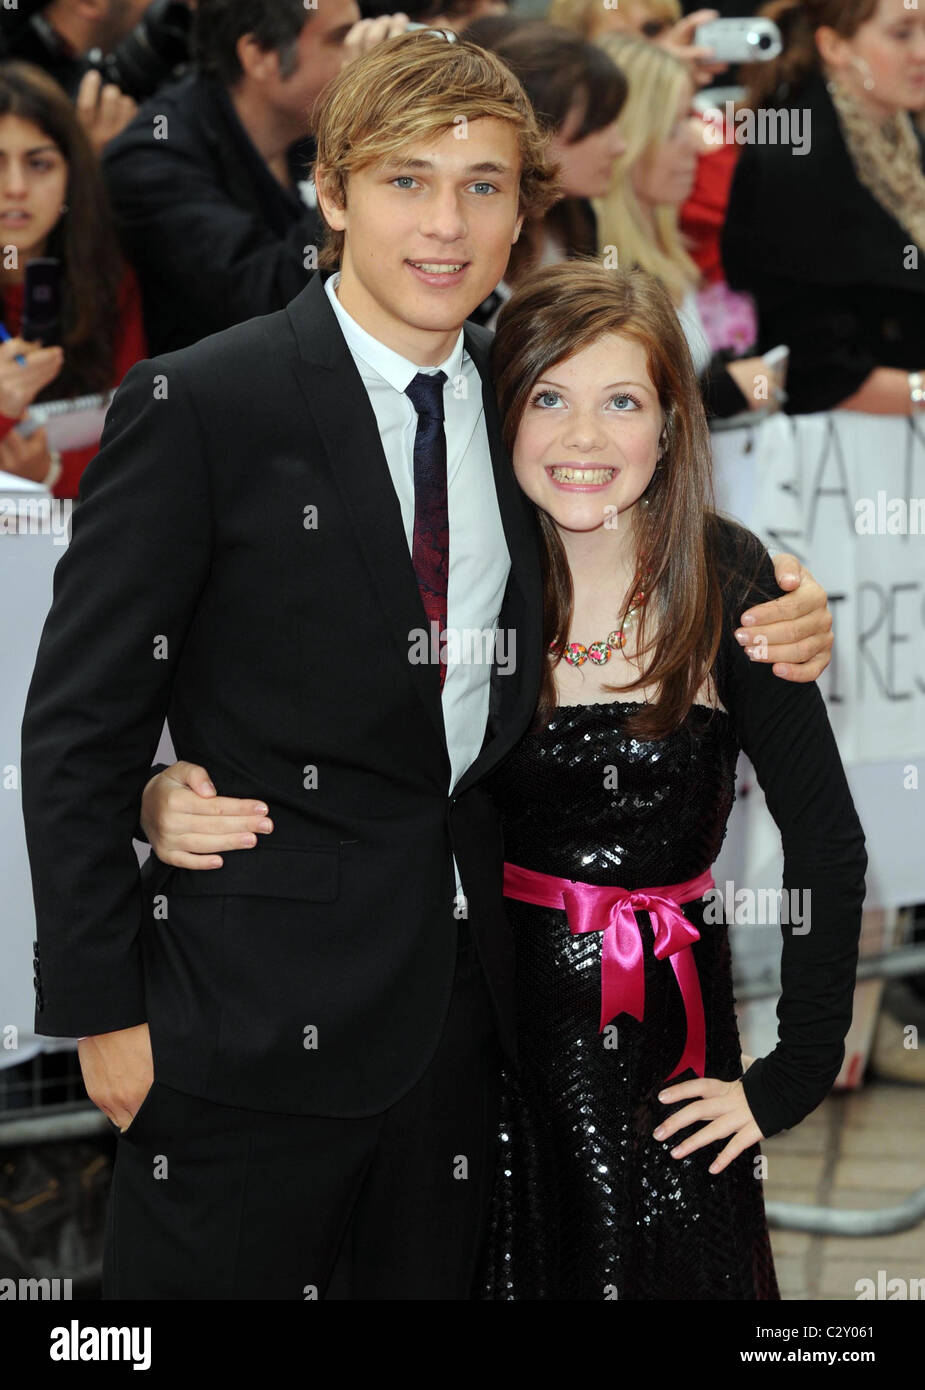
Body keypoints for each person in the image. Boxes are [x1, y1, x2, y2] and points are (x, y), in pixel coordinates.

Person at [22, 30, 833, 1302]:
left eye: (483, 186)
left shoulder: (524, 392)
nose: (445, 223)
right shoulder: (203, 404)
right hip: (238, 1034)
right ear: (331, 193)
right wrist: (104, 1015)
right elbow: (78, 729)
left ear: (525, 207)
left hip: (469, 1047)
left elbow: (644, 506)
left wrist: (784, 598)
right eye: (405, 181)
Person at [100, 0, 411, 354]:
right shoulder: (150, 161)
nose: (363, 57)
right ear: (259, 55)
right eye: (341, 38)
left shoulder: (307, 126)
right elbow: (269, 302)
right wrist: (365, 122)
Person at [722, 0, 925, 416]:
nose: (922, 51)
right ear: (835, 47)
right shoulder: (794, 160)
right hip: (844, 445)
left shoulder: (901, 137)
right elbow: (811, 367)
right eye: (902, 33)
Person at [594, 33, 781, 418]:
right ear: (628, 136)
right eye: (675, 126)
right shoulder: (597, 269)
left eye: (690, 121)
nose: (696, 145)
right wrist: (720, 396)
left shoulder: (666, 246)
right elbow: (611, 412)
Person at [0, 60, 146, 498]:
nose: (16, 187)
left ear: (71, 175)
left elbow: (136, 446)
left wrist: (50, 472)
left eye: (39, 164)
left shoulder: (107, 278)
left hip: (76, 539)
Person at [465, 21, 627, 329]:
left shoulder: (578, 219)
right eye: (600, 124)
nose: (620, 145)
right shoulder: (473, 231)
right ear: (537, 125)